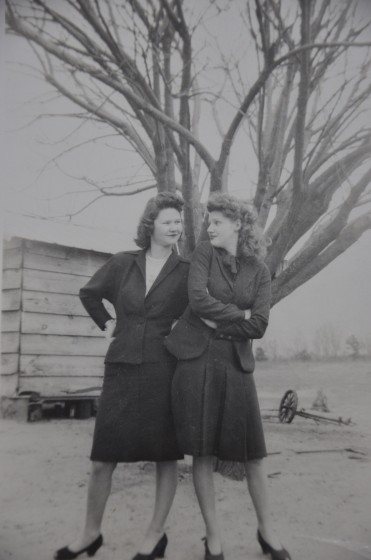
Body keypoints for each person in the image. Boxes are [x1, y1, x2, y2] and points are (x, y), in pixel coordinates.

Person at [54, 192, 189, 560]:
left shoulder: (187, 271)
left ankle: (155, 535)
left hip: (165, 370)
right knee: (102, 459)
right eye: (168, 221)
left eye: (179, 221)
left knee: (165, 456)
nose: (175, 227)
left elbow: (198, 313)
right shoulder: (122, 263)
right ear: (151, 226)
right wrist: (109, 323)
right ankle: (90, 533)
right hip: (122, 368)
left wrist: (179, 333)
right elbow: (89, 294)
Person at [165, 193, 291, 560]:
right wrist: (239, 314)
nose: (209, 226)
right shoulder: (204, 253)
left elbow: (261, 324)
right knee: (201, 451)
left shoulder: (261, 271)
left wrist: (222, 323)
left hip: (236, 365)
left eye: (217, 221)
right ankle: (214, 538)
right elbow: (197, 298)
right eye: (208, 221)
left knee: (252, 454)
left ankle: (267, 532)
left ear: (238, 224)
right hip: (197, 362)